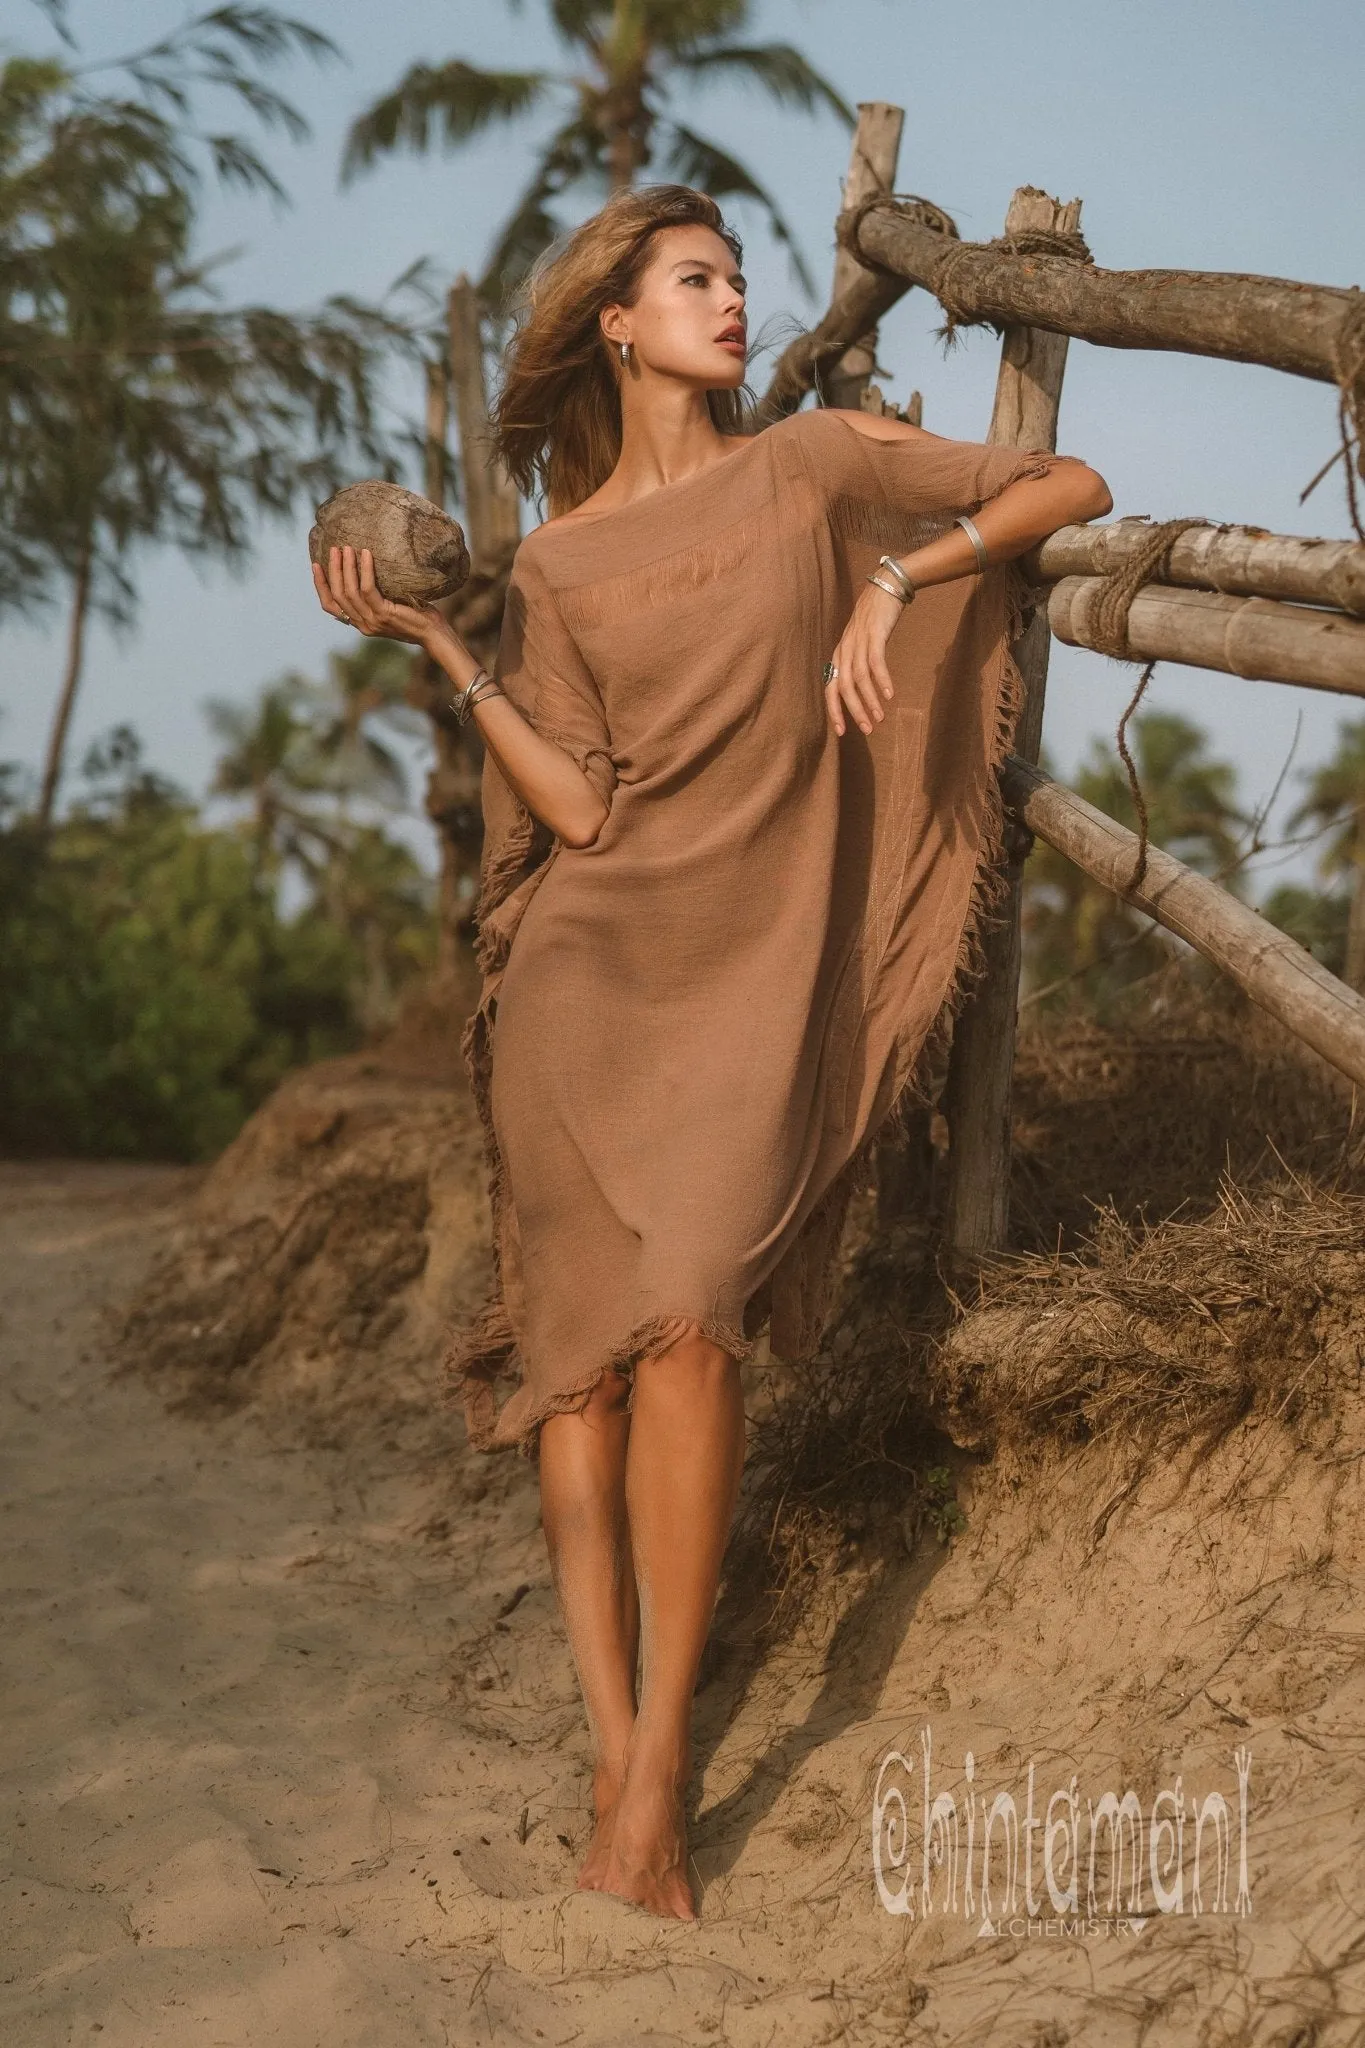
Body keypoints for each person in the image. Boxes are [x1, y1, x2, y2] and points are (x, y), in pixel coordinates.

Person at [312, 183, 1112, 1922]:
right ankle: (613, 1749)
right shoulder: (560, 567)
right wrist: (455, 649)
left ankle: (663, 1765)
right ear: (618, 322)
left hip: (754, 983)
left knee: (694, 1326)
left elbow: (1063, 485)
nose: (734, 302)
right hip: (586, 996)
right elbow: (581, 817)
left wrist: (896, 579)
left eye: (742, 278)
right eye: (697, 279)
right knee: (575, 1389)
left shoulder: (814, 464)